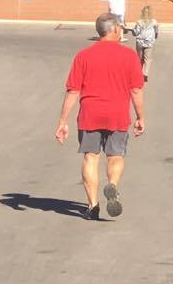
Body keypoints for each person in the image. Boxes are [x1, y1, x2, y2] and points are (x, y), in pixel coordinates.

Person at [55, 14, 146, 221]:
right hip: (117, 113)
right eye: (120, 28)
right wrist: (141, 117)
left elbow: (72, 91)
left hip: (90, 113)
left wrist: (63, 121)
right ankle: (112, 185)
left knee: (91, 157)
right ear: (114, 30)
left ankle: (92, 205)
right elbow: (136, 90)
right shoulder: (129, 56)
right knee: (115, 156)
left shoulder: (83, 55)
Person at [131, 5, 159, 78]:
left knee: (139, 57)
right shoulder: (154, 22)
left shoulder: (139, 22)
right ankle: (145, 73)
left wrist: (132, 31)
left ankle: (138, 72)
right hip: (149, 42)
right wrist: (155, 37)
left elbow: (136, 32)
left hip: (140, 42)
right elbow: (156, 31)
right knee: (147, 58)